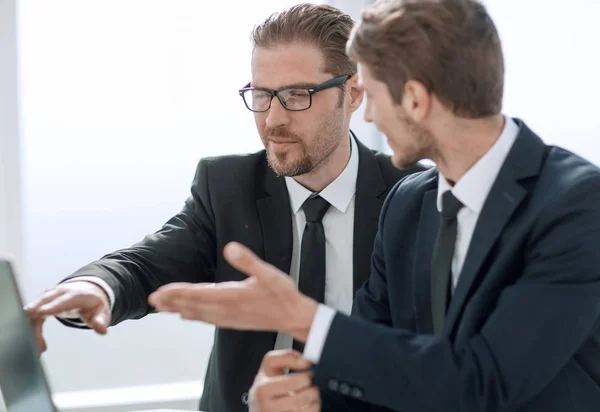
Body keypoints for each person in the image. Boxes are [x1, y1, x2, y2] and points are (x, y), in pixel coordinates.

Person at [146, 0, 600, 411]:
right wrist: (299, 397)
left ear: (415, 100)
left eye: (374, 95)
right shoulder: (407, 204)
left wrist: (299, 316)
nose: (367, 117)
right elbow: (378, 362)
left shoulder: (576, 204)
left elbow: (485, 381)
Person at [23, 3, 426, 412]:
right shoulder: (226, 186)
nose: (273, 120)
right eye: (262, 95)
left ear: (353, 93)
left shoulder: (414, 197)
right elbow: (145, 265)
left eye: (295, 96)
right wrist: (96, 288)